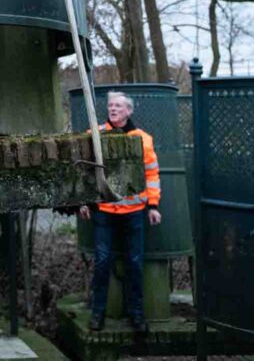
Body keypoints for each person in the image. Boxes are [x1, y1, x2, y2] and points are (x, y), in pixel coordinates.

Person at [79, 91, 161, 333]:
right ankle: (97, 314)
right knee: (102, 262)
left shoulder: (143, 139)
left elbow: (152, 174)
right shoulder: (94, 136)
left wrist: (153, 206)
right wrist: (83, 201)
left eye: (118, 106)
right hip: (103, 211)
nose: (113, 109)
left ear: (129, 111)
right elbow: (85, 172)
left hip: (134, 212)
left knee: (135, 263)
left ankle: (137, 315)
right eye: (110, 105)